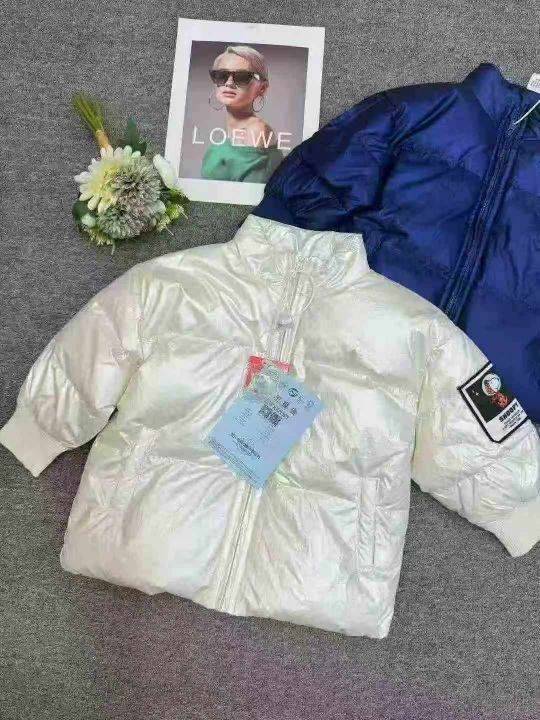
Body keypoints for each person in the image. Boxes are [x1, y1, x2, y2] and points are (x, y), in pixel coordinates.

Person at [202, 45, 283, 183]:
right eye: (221, 75)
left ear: (262, 88)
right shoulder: (229, 130)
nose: (229, 83)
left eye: (242, 77)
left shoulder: (256, 131)